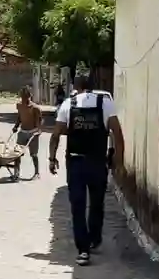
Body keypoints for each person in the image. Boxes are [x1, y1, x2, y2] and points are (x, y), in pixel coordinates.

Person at [48, 74, 125, 266]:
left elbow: (56, 134)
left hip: (75, 162)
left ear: (75, 86)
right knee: (97, 202)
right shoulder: (105, 103)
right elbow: (117, 132)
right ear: (91, 87)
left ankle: (83, 250)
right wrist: (118, 160)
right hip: (98, 161)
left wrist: (52, 158)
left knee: (78, 205)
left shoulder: (68, 104)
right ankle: (94, 238)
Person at [10, 88, 43, 179]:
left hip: (32, 132)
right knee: (17, 154)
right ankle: (16, 173)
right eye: (22, 97)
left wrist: (38, 131)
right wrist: (16, 126)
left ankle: (37, 173)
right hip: (22, 132)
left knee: (34, 154)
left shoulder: (35, 108)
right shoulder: (19, 106)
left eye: (25, 97)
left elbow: (39, 121)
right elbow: (19, 117)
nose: (23, 99)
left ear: (29, 96)